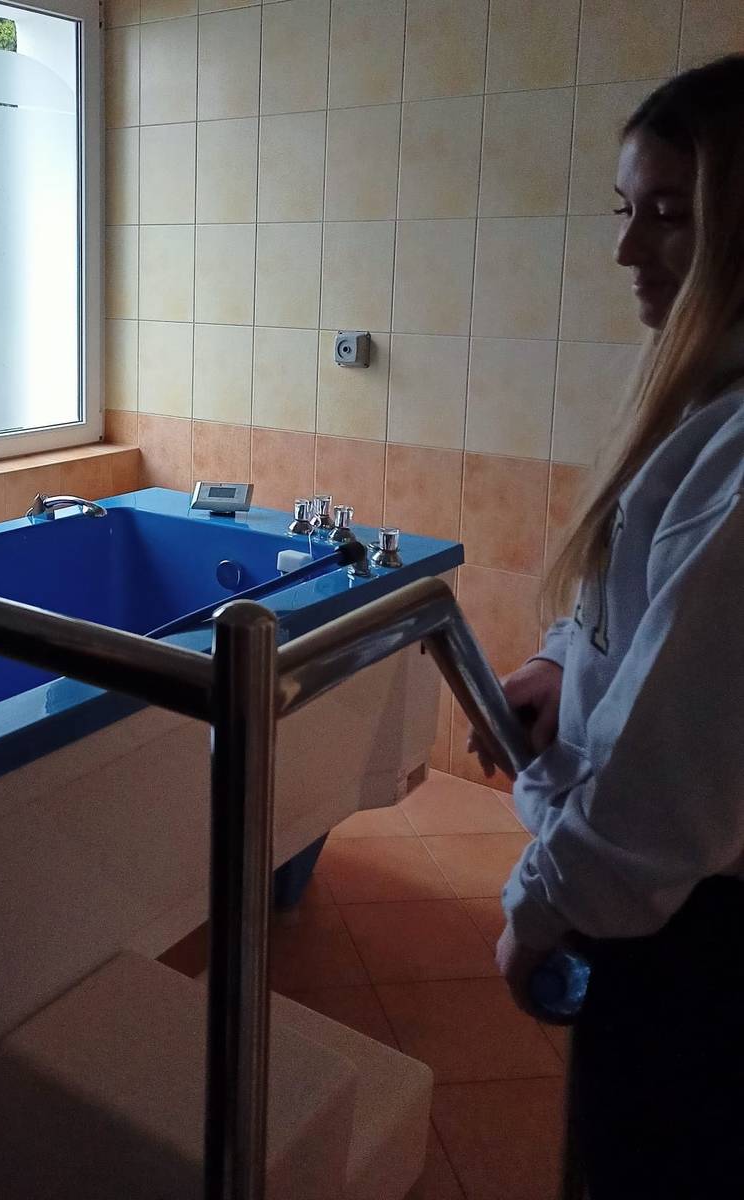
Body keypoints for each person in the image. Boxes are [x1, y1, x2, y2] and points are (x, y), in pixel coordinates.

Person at [468, 55, 744, 1198]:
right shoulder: (704, 400)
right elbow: (645, 614)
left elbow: (671, 771)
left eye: (671, 215)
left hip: (693, 935)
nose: (629, 251)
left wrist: (538, 910)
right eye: (625, 210)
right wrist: (554, 666)